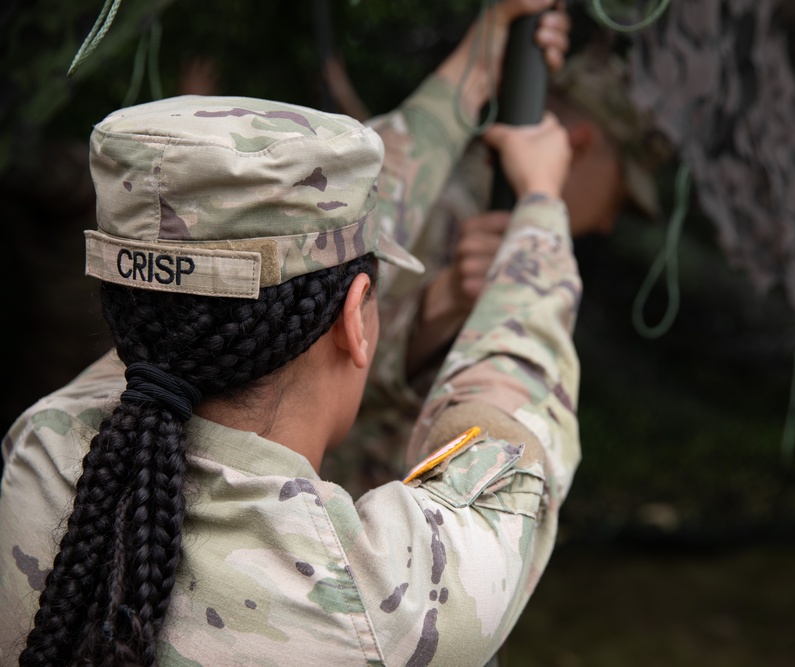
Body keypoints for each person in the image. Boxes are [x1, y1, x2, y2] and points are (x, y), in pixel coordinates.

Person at [0, 6, 582, 667]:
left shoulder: (37, 461)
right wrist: (541, 200)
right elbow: (513, 396)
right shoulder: (386, 604)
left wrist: (479, 62)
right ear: (356, 319)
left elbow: (201, 294)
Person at [323, 43, 672, 497]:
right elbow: (316, 363)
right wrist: (439, 304)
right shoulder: (438, 206)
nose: (607, 222)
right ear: (580, 144)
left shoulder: (474, 208)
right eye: (619, 196)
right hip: (347, 517)